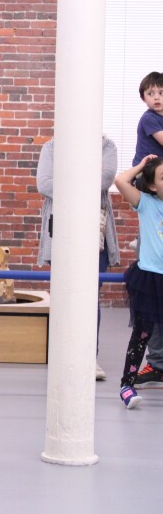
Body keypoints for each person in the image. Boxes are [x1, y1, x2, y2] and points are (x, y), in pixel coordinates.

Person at [36, 136, 120, 380]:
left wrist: (67, 180)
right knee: (64, 296)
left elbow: (104, 181)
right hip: (60, 232)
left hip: (96, 236)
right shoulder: (51, 147)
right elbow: (44, 183)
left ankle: (88, 358)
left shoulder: (106, 146)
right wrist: (87, 178)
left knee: (89, 296)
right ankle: (63, 356)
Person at [112, 154, 163, 408]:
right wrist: (142, 166)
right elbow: (121, 180)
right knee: (142, 334)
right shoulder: (147, 203)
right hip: (150, 280)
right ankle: (126, 385)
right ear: (153, 185)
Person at [131, 72, 163, 388]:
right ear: (144, 99)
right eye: (151, 93)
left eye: (161, 93)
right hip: (147, 183)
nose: (156, 98)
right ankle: (146, 241)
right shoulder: (150, 119)